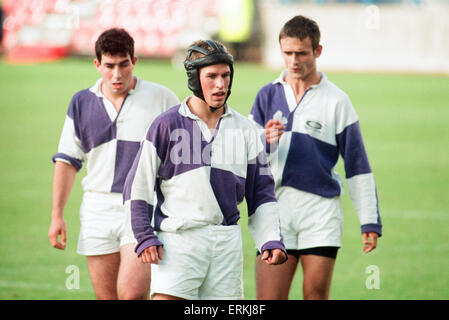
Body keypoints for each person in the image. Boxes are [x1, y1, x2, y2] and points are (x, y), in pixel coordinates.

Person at [123, 39, 287, 300]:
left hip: (226, 245)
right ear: (194, 79)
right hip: (178, 242)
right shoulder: (165, 125)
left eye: (226, 75)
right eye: (211, 76)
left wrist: (269, 238)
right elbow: (137, 185)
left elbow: (262, 194)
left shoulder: (245, 130)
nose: (221, 84)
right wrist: (143, 235)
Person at [249, 15, 382, 300]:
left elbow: (357, 165)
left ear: (317, 51)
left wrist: (369, 221)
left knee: (315, 296)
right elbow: (246, 157)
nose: (294, 61)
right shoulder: (265, 96)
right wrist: (264, 141)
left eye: (301, 53)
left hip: (320, 212)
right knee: (268, 299)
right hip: (275, 211)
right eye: (287, 53)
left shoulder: (337, 101)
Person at [48, 28, 179, 300]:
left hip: (142, 207)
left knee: (131, 295)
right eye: (109, 66)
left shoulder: (162, 98)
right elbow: (67, 162)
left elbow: (182, 159)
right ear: (97, 65)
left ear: (135, 61)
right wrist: (56, 215)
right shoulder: (81, 102)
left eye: (124, 65)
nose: (117, 74)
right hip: (97, 209)